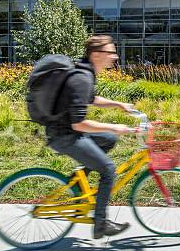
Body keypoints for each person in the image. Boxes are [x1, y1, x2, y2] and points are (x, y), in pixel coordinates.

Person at [45, 35, 134, 239]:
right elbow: (79, 123)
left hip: (68, 130)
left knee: (108, 140)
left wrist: (119, 104)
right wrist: (114, 127)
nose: (115, 56)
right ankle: (100, 224)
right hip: (64, 135)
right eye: (110, 52)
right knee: (109, 169)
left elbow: (91, 98)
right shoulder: (82, 78)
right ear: (96, 54)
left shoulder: (86, 72)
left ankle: (78, 186)